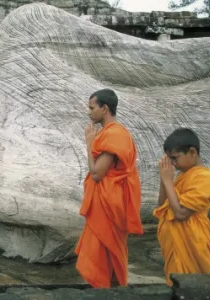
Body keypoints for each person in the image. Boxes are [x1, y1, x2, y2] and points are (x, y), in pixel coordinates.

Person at [75, 88, 143, 288]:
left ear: (104, 108)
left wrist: (89, 144)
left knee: (105, 252)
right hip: (109, 200)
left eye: (92, 107)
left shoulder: (114, 135)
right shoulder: (111, 132)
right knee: (108, 252)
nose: (89, 112)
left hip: (110, 203)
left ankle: (108, 291)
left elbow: (97, 173)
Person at [153, 128, 210, 286]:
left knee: (196, 288)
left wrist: (168, 181)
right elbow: (162, 206)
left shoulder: (206, 178)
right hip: (175, 245)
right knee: (176, 287)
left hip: (193, 244)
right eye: (169, 159)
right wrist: (164, 180)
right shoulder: (181, 177)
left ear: (192, 152)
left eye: (175, 158)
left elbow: (181, 214)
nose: (173, 164)